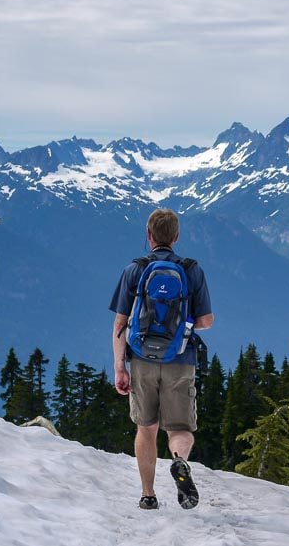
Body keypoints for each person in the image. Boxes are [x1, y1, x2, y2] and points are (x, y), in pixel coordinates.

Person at [109, 208, 214, 510]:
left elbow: (119, 325)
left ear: (149, 235)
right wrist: (184, 322)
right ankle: (179, 461)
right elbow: (207, 321)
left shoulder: (135, 269)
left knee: (146, 428)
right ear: (176, 237)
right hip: (180, 359)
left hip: (141, 359)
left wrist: (119, 367)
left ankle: (148, 495)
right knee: (179, 429)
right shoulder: (191, 270)